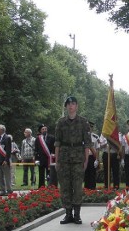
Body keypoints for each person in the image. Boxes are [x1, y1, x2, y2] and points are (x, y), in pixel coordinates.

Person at [55, 96, 91, 224]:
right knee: (65, 186)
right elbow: (57, 143)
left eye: (73, 104)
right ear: (66, 107)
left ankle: (77, 214)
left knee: (77, 187)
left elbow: (87, 143)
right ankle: (68, 213)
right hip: (64, 158)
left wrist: (86, 160)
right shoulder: (60, 122)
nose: (71, 106)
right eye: (69, 104)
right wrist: (57, 160)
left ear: (77, 106)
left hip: (78, 157)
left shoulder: (83, 122)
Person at [34, 123, 55, 188]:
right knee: (41, 174)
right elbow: (36, 149)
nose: (44, 130)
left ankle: (51, 186)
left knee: (50, 174)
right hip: (41, 159)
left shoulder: (52, 137)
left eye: (45, 129)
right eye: (43, 129)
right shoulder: (38, 139)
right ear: (40, 131)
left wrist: (53, 156)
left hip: (49, 159)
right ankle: (41, 187)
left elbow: (54, 148)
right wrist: (36, 159)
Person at [0, 125, 12, 196]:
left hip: (4, 161)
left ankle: (9, 190)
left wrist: (6, 160)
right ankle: (2, 190)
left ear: (1, 130)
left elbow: (8, 150)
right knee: (0, 177)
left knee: (7, 177)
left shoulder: (7, 138)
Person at [83, 121, 100, 190]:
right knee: (86, 174)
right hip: (85, 157)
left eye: (90, 127)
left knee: (92, 174)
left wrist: (97, 159)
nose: (89, 128)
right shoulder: (82, 137)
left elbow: (98, 149)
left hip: (92, 157)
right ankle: (86, 189)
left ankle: (93, 189)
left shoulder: (96, 137)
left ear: (92, 128)